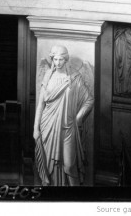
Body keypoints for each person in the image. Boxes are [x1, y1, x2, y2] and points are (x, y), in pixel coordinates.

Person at [33, 45, 94, 186]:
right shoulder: (48, 76)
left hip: (68, 128)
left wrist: (78, 118)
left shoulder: (74, 78)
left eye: (61, 59)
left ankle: (76, 199)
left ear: (66, 59)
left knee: (69, 166)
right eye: (55, 59)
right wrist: (36, 128)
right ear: (52, 59)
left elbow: (89, 100)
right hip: (48, 125)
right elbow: (40, 105)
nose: (58, 62)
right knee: (50, 166)